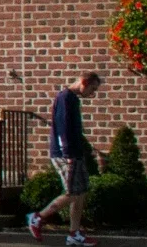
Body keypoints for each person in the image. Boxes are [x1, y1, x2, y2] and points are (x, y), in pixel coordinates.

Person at [29, 71, 103, 246]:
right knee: (71, 192)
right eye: (92, 89)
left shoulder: (73, 99)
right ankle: (37, 218)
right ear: (83, 83)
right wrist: (67, 153)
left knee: (81, 192)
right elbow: (63, 127)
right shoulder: (65, 98)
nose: (91, 94)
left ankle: (74, 233)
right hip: (65, 154)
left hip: (75, 153)